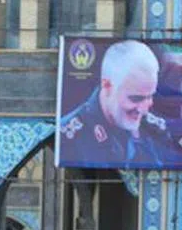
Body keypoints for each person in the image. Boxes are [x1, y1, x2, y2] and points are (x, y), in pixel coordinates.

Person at [59, 39, 168, 167]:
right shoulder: (69, 138)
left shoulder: (157, 131)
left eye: (150, 97)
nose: (144, 110)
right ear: (107, 85)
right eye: (136, 98)